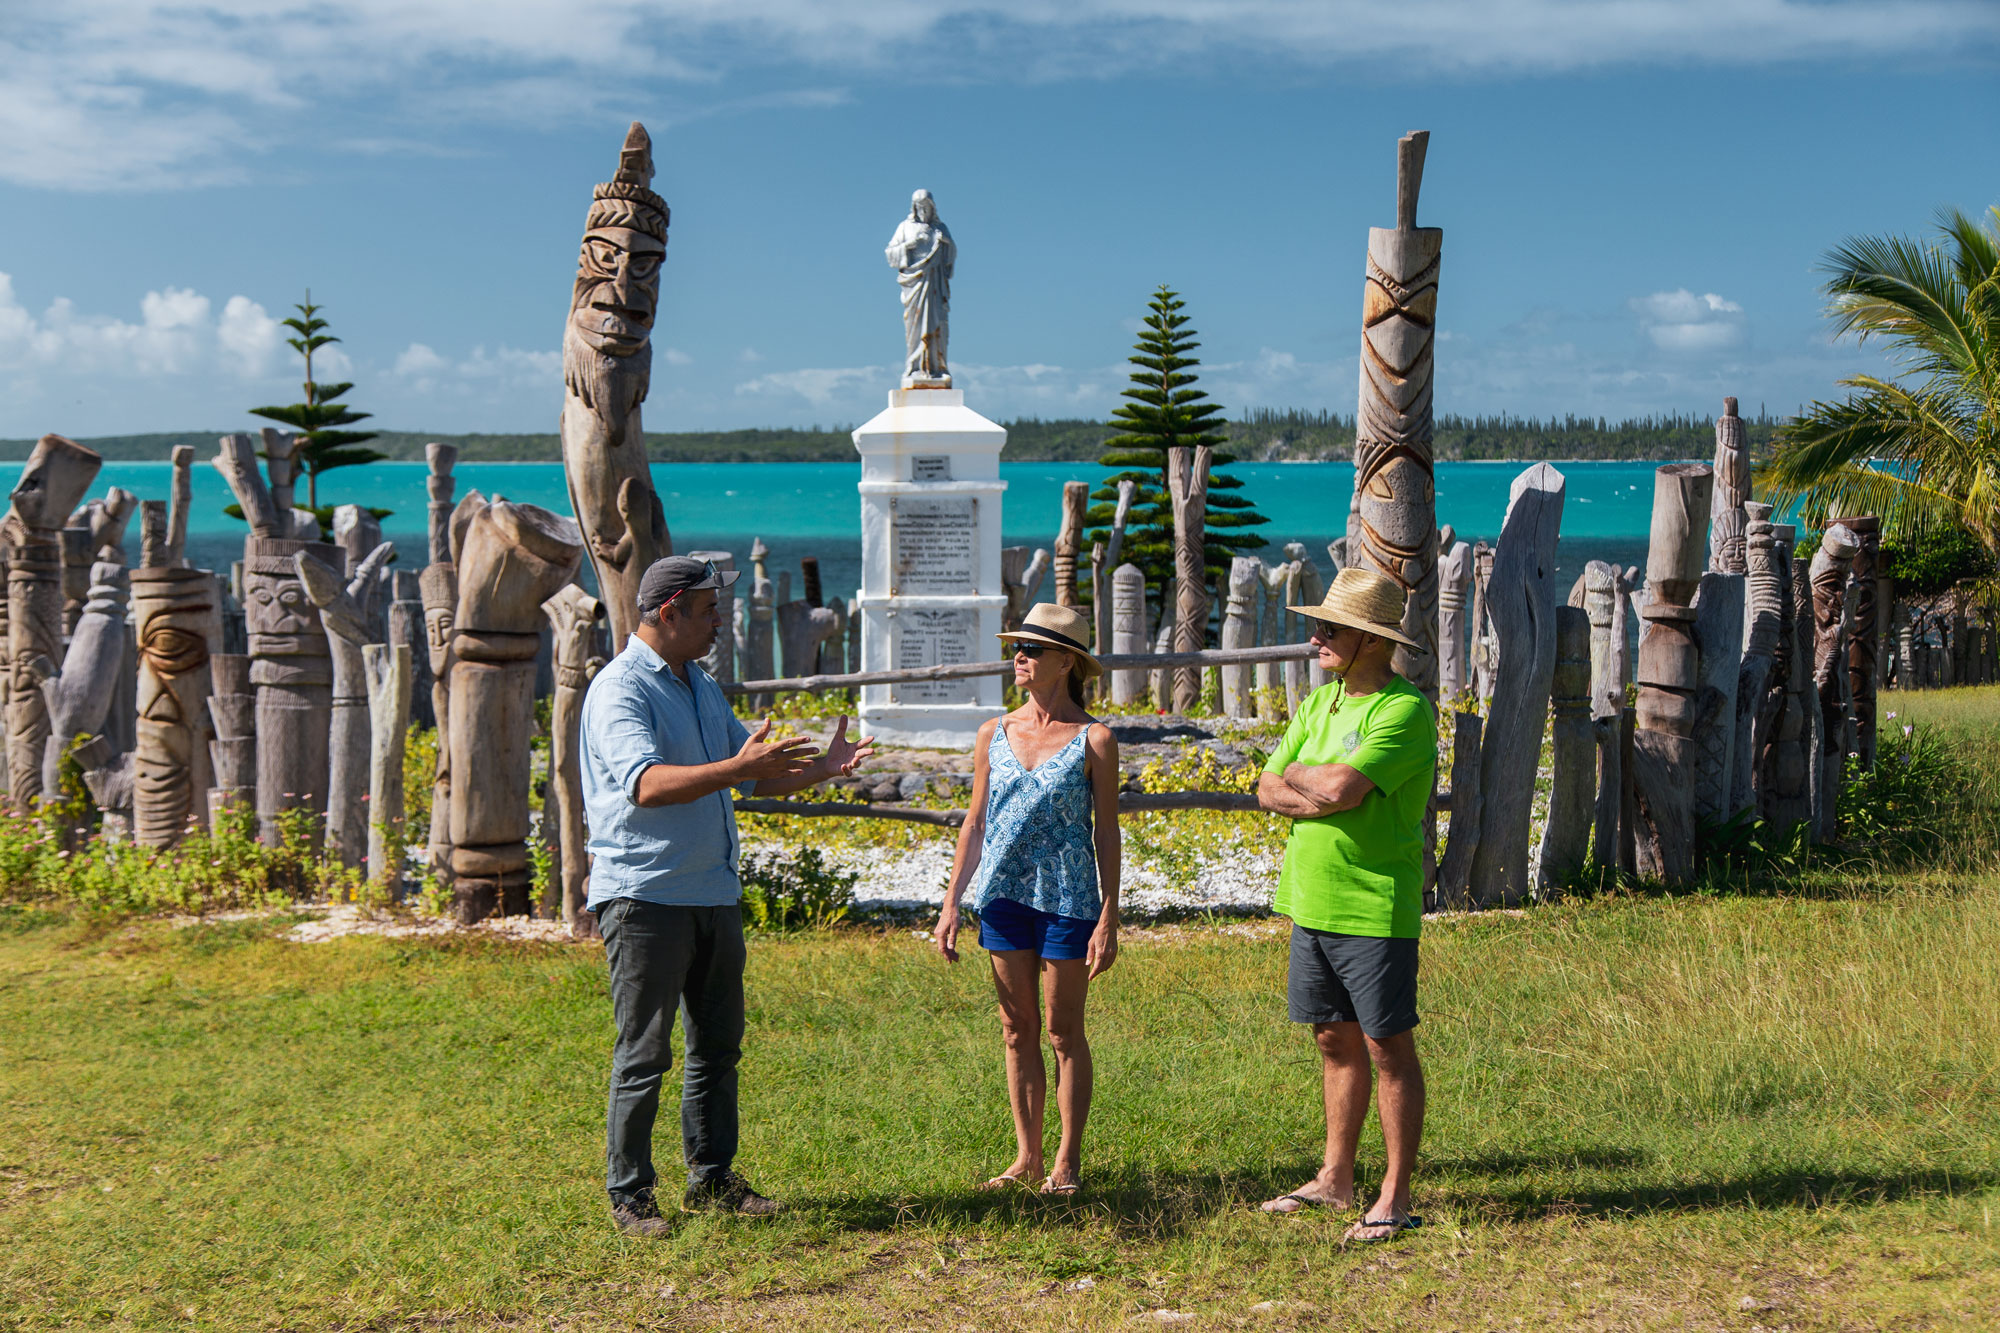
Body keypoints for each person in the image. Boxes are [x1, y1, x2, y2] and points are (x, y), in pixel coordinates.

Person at [581, 556, 874, 1235]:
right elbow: (646, 783)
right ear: (670, 610)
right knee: (644, 1050)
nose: (721, 620)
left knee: (717, 1045)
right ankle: (630, 1194)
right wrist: (738, 767)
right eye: (710, 609)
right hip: (645, 895)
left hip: (711, 891)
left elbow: (749, 775)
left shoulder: (699, 684)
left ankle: (711, 1178)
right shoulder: (620, 689)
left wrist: (821, 770)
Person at [1254, 567, 1437, 1243]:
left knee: (1388, 1045)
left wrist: (1309, 781)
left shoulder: (1404, 710)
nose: (1315, 635)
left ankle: (1394, 1193)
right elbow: (1267, 786)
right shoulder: (1321, 704)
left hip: (1373, 905)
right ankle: (1334, 1179)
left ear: (1368, 638)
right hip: (1310, 898)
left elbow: (1339, 788)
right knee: (1332, 1037)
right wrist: (1314, 784)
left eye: (1330, 627)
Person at [934, 604, 1121, 1196]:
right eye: (1018, 646)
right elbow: (974, 822)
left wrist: (1110, 915)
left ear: (1067, 661)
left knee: (1064, 1032)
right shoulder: (996, 730)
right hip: (1002, 896)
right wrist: (950, 903)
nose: (1020, 656)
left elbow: (1107, 831)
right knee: (1016, 1029)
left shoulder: (1096, 738)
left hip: (1069, 898)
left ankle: (1067, 1159)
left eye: (1034, 649)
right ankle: (1027, 1156)